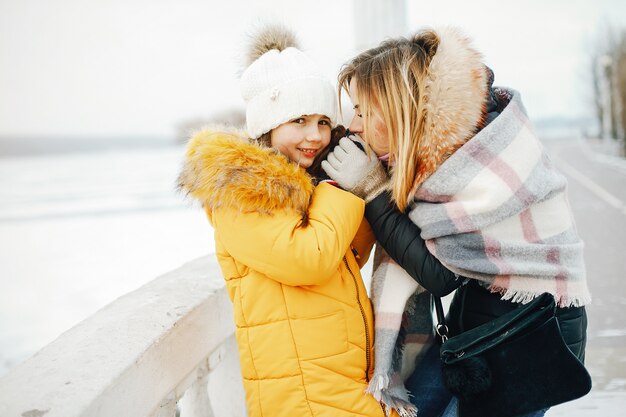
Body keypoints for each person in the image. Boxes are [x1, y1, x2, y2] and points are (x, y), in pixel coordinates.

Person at [322, 27, 591, 417]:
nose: (355, 125)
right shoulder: (435, 150)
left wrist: (373, 192)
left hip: (531, 334)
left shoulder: (470, 158)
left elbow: (439, 274)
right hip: (487, 320)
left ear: (399, 108)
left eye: (364, 111)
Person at [177, 24, 391, 417]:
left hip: (337, 383)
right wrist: (343, 189)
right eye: (299, 121)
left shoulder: (303, 187)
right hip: (303, 396)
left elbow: (344, 260)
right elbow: (308, 260)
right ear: (267, 124)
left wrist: (368, 187)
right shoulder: (241, 190)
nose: (315, 135)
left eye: (323, 122)